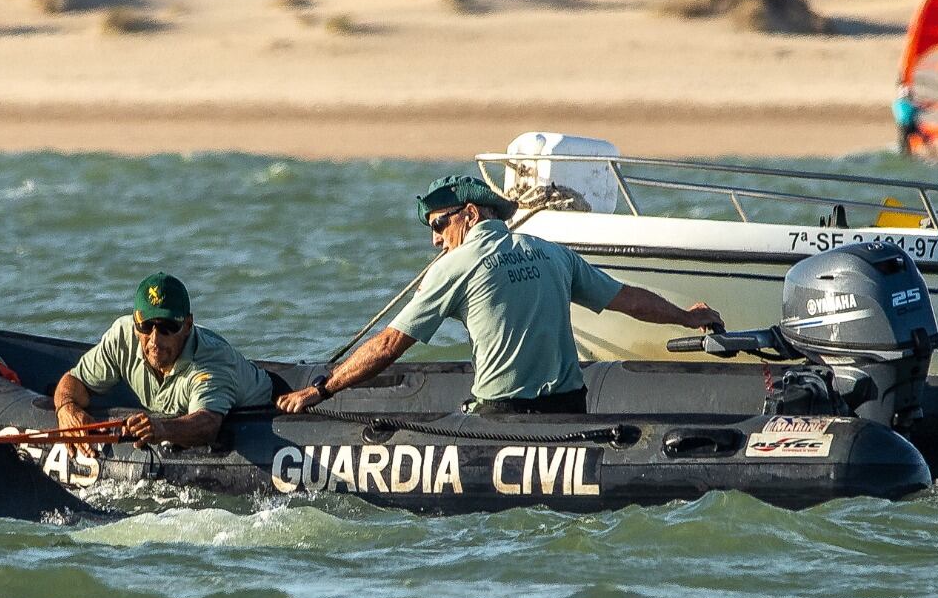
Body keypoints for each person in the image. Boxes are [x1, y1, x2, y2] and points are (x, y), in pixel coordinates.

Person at [277, 175, 725, 416]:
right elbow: (627, 299)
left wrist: (322, 388)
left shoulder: (455, 266)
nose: (435, 241)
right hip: (569, 409)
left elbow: (390, 345)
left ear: (469, 214)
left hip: (505, 416)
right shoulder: (551, 252)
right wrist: (686, 317)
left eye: (438, 225)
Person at [54, 272, 273, 447]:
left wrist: (162, 430)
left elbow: (207, 423)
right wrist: (66, 408)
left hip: (260, 414)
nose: (155, 340)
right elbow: (74, 381)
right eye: (146, 326)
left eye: (168, 327)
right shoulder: (122, 336)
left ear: (187, 326)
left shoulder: (211, 363)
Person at [893, 85, 927, 157]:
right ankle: (907, 156)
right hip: (907, 125)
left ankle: (906, 156)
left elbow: (916, 110)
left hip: (904, 125)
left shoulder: (897, 103)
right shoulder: (903, 103)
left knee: (905, 143)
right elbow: (916, 109)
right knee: (905, 143)